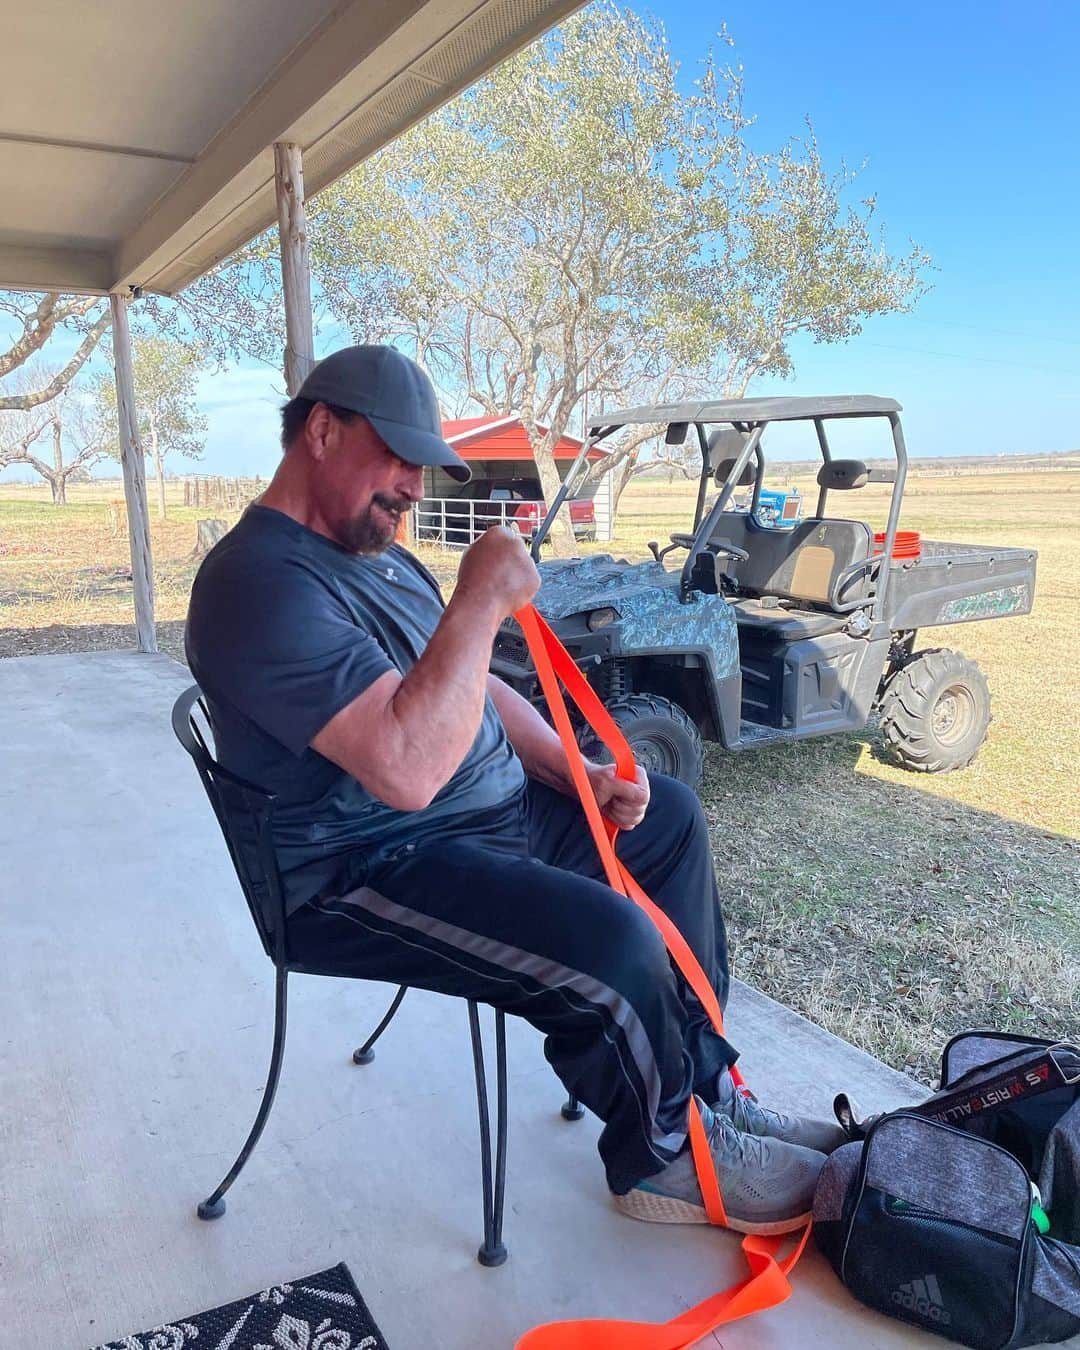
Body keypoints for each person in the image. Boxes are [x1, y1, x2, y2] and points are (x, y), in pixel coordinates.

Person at [185, 345, 843, 1233]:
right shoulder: (257, 584)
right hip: (362, 868)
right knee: (609, 938)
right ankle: (665, 1155)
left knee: (672, 822)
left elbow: (477, 688)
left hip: (477, 823)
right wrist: (478, 601)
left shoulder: (375, 555)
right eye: (398, 459)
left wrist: (574, 774)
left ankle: (706, 1087)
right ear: (322, 429)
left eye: (424, 466)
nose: (415, 487)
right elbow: (409, 767)